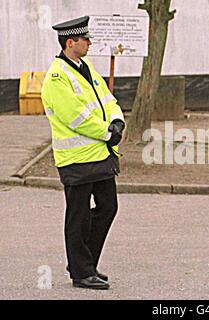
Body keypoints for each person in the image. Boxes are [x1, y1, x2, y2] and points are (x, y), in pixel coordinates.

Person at [41, 16, 125, 290]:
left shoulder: (85, 68)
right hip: (76, 160)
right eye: (85, 39)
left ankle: (83, 263)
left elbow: (108, 99)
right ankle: (81, 272)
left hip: (99, 155)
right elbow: (74, 116)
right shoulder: (57, 76)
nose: (89, 43)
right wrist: (106, 132)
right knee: (77, 215)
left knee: (108, 207)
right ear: (70, 42)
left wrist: (117, 121)